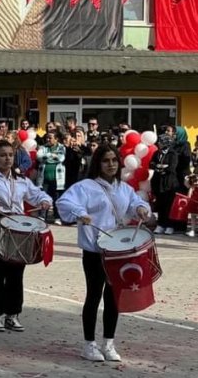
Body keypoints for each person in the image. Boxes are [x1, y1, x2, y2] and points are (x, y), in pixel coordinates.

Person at [57, 144, 151, 362]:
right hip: (95, 251)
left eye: (114, 161)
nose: (111, 165)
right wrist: (80, 212)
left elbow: (134, 202)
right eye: (106, 161)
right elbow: (64, 202)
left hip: (118, 252)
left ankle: (109, 343)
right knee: (93, 296)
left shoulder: (123, 188)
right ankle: (89, 344)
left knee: (113, 299)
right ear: (97, 164)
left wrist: (140, 208)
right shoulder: (85, 186)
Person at [0, 140, 52, 332]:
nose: (7, 159)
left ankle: (12, 314)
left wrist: (45, 201)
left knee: (17, 271)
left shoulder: (20, 179)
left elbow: (36, 194)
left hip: (18, 227)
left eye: (10, 155)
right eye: (3, 155)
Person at [36, 131, 67, 223]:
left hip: (57, 178)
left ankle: (57, 217)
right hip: (44, 178)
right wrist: (51, 155)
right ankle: (42, 216)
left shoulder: (62, 147)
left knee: (57, 199)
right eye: (47, 138)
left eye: (50, 138)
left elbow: (61, 158)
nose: (48, 139)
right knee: (43, 197)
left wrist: (47, 158)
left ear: (56, 139)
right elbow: (39, 157)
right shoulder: (43, 147)